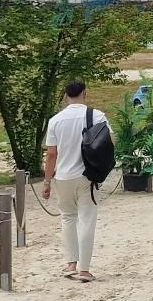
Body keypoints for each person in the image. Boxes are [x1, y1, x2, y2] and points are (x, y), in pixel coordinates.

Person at [42, 79, 107, 282]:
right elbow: (110, 140)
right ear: (84, 93)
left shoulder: (56, 120)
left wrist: (46, 182)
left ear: (66, 95)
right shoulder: (96, 115)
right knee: (87, 220)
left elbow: (51, 154)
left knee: (68, 218)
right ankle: (85, 270)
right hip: (87, 175)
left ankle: (71, 264)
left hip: (63, 176)